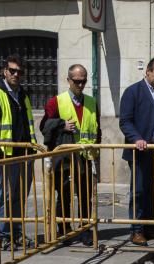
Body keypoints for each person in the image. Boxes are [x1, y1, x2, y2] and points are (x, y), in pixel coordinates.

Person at [0, 54, 37, 250]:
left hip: (25, 154)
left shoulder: (23, 94)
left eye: (19, 72)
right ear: (4, 71)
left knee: (20, 196)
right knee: (6, 196)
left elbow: (28, 124)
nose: (16, 74)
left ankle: (17, 232)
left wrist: (32, 149)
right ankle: (5, 234)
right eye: (12, 70)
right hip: (7, 155)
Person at [40, 64, 99, 247]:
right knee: (64, 194)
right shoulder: (56, 102)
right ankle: (63, 228)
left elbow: (97, 130)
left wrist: (96, 153)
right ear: (69, 80)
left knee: (85, 194)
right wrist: (61, 125)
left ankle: (84, 229)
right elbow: (44, 127)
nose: (80, 85)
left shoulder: (91, 103)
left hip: (85, 157)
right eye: (77, 81)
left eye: (83, 81)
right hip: (64, 157)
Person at [118, 56, 154, 246]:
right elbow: (125, 120)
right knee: (139, 191)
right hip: (142, 150)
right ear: (148, 71)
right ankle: (136, 229)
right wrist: (137, 138)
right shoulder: (133, 92)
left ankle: (149, 225)